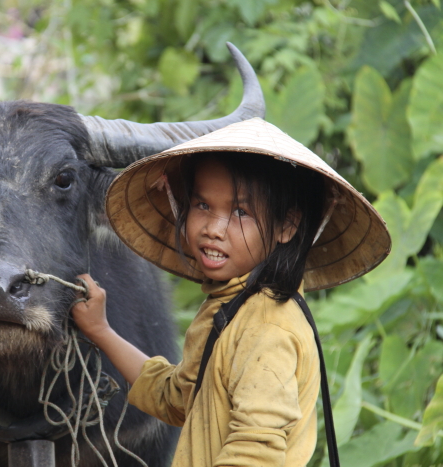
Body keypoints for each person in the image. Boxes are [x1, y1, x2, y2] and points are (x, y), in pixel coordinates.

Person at [71, 118, 390, 466]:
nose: (213, 228)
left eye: (240, 212)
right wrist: (100, 330)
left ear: (286, 225)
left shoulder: (267, 329)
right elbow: (178, 397)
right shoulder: (232, 307)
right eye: (203, 205)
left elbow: (254, 452)